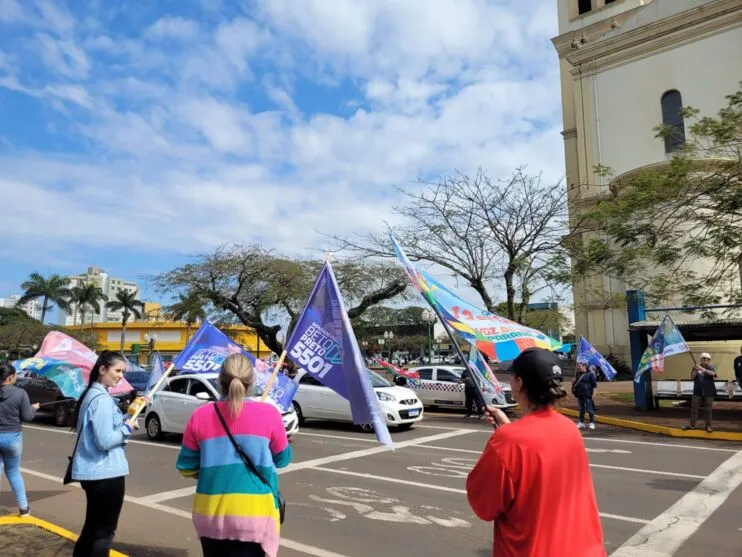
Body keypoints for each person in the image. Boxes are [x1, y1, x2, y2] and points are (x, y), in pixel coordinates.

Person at [466, 348, 605, 557]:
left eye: (511, 376)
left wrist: (505, 436)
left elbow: (484, 505)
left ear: (519, 383)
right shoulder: (569, 428)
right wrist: (508, 429)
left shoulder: (508, 441)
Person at [176, 353, 292, 557]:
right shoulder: (270, 414)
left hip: (210, 515)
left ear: (221, 381)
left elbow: (186, 467)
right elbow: (283, 459)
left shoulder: (200, 415)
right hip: (255, 516)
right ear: (252, 381)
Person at [71, 350, 138, 557]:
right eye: (117, 371)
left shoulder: (94, 395)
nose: (120, 376)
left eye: (123, 372)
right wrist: (127, 428)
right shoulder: (101, 400)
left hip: (96, 473)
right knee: (103, 533)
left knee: (92, 528)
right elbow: (105, 441)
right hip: (105, 474)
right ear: (103, 370)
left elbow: (107, 427)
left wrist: (131, 413)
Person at [0, 363, 40, 517]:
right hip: (13, 439)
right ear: (11, 377)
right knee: (13, 472)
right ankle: (24, 508)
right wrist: (34, 408)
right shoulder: (20, 393)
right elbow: (28, 416)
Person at [683, 352, 717, 433]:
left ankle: (708, 426)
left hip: (709, 392)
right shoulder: (695, 367)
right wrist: (696, 370)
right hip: (697, 391)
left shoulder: (710, 367)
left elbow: (713, 374)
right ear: (701, 359)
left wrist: (702, 369)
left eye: (708, 359)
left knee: (708, 410)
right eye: (704, 358)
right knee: (694, 409)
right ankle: (692, 425)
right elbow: (691, 378)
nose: (706, 360)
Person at [572, 363, 597, 430]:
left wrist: (594, 394)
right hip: (580, 394)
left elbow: (594, 385)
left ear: (584, 367)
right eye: (578, 366)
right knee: (581, 409)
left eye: (580, 366)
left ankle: (592, 422)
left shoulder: (590, 374)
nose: (578, 367)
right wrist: (573, 382)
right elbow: (575, 384)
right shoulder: (577, 374)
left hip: (588, 394)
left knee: (589, 409)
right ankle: (581, 422)